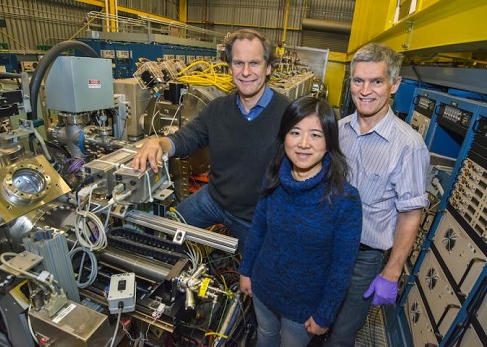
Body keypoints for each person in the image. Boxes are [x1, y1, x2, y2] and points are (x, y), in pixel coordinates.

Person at [132, 29, 290, 252]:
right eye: (238, 63)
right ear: (230, 67)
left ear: (268, 68)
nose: (245, 72)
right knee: (165, 233)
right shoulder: (218, 109)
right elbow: (186, 138)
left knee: (258, 276)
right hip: (214, 199)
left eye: (254, 63)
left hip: (254, 215)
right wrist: (158, 143)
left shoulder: (288, 114)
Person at [324, 42, 430, 346]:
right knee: (313, 320)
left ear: (394, 85)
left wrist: (392, 271)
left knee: (342, 333)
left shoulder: (408, 146)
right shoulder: (338, 131)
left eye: (376, 81)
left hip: (363, 258)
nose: (365, 90)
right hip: (326, 245)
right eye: (358, 80)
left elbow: (410, 213)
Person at [238, 96, 363, 347]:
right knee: (265, 335)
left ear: (329, 143)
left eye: (316, 135)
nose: (304, 144)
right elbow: (259, 229)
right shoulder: (274, 178)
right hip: (263, 287)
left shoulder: (344, 200)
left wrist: (325, 314)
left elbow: (341, 268)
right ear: (284, 136)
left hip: (303, 307)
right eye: (295, 132)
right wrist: (246, 271)